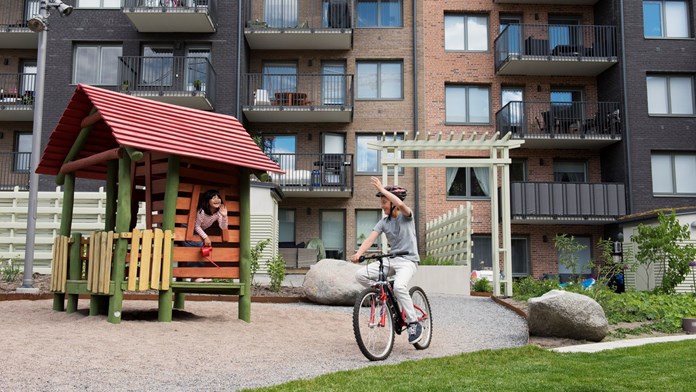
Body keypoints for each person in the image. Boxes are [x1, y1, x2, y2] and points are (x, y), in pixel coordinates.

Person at [350, 177, 422, 344]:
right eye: (382, 202)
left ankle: (413, 322)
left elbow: (402, 206)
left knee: (399, 286)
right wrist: (358, 254)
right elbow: (370, 239)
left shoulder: (406, 216)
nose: (382, 206)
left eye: (384, 202)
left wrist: (383, 190)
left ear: (393, 203)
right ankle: (384, 296)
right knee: (360, 275)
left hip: (408, 261)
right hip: (392, 259)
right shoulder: (384, 222)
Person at [184, 189, 228, 282]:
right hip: (186, 229)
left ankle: (197, 276)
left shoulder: (218, 213)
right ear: (207, 200)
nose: (217, 200)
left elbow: (223, 227)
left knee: (201, 249)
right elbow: (196, 226)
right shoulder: (201, 211)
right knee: (197, 248)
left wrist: (224, 216)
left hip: (197, 231)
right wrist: (205, 237)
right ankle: (195, 277)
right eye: (213, 197)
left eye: (218, 197)